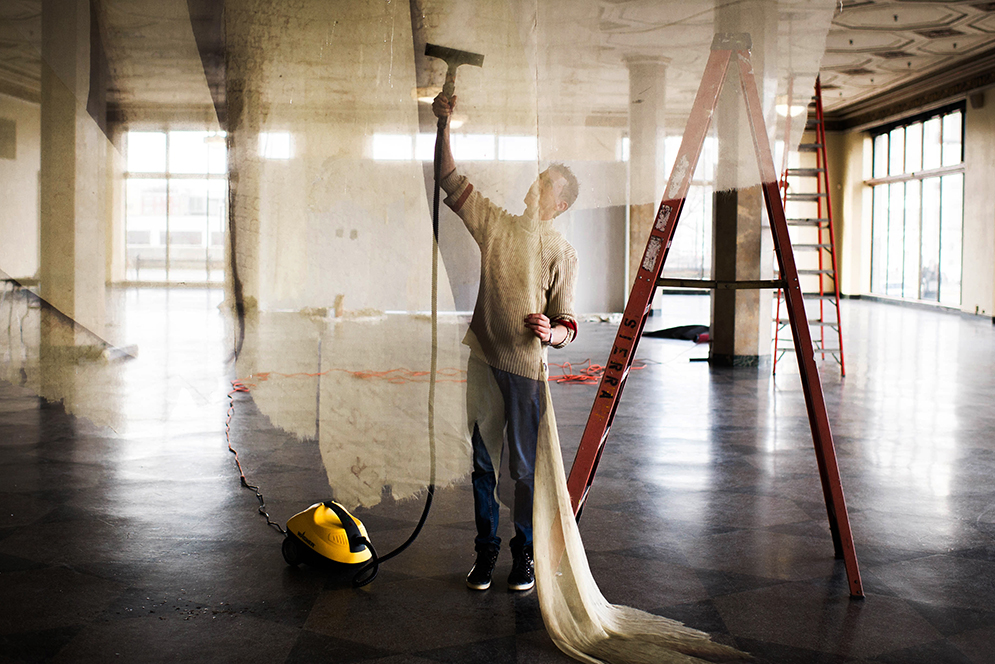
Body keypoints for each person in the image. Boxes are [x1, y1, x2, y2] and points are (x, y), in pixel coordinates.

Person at [432, 92, 579, 592]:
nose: (535, 186)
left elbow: (567, 323)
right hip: (482, 360)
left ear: (559, 204)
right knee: (480, 464)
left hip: (524, 371)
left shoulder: (561, 252)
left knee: (522, 471)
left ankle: (524, 557)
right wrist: (443, 125)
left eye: (547, 185)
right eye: (537, 178)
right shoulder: (495, 224)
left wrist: (551, 332)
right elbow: (449, 179)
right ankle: (485, 553)